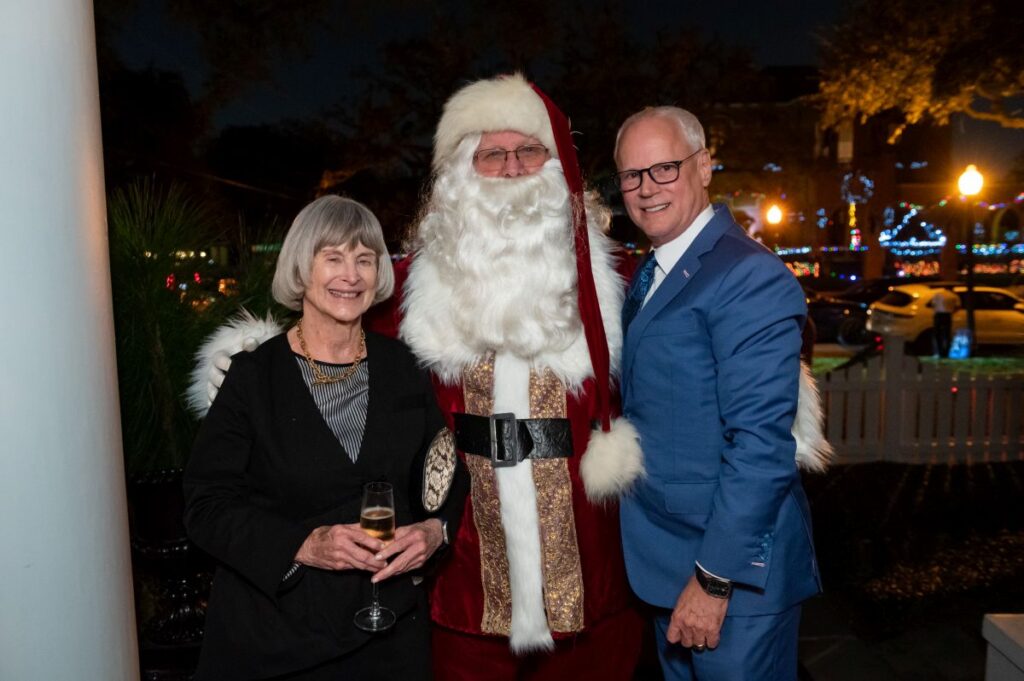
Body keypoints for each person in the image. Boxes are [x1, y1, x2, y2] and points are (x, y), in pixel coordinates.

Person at [191, 74, 647, 680]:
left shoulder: (615, 282)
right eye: (492, 154)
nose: (512, 168)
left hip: (589, 565)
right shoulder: (410, 287)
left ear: (557, 164)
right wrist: (246, 354)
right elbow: (325, 322)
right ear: (462, 171)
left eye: (529, 151)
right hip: (460, 573)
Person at [183, 195, 468, 681]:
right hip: (280, 639)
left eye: (364, 259)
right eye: (333, 258)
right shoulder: (253, 377)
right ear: (301, 269)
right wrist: (303, 545)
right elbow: (205, 506)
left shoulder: (403, 367)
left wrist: (434, 531)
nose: (350, 276)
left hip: (389, 640)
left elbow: (445, 473)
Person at [614, 106, 825, 681]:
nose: (646, 188)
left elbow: (761, 446)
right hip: (667, 564)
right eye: (631, 175)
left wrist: (713, 579)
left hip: (730, 581)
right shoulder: (652, 272)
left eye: (664, 168)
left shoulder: (746, 276)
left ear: (704, 167)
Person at [931, 287, 959, 357]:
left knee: (937, 333)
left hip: (938, 315)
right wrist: (952, 311)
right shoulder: (953, 295)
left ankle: (939, 350)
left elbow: (933, 304)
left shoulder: (937, 294)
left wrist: (936, 309)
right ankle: (946, 351)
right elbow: (958, 306)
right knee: (947, 334)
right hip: (947, 315)